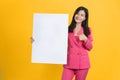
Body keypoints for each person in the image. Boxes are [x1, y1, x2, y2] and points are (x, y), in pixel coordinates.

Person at [62, 6, 93, 80]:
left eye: (82, 15)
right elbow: (55, 40)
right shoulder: (67, 29)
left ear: (85, 18)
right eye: (77, 13)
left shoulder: (87, 30)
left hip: (82, 64)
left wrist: (85, 39)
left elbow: (90, 47)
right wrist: (37, 41)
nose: (79, 16)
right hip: (69, 62)